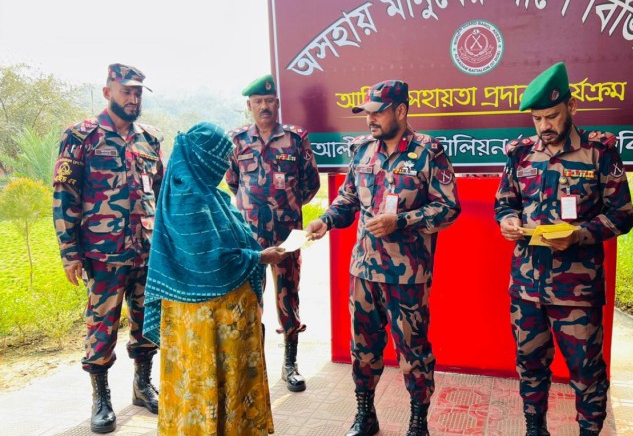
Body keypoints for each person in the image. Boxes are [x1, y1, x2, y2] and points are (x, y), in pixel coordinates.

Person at [306, 80, 461, 436]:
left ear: (401, 111)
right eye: (367, 113)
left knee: (414, 351)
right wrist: (324, 221)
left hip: (408, 274)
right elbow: (347, 201)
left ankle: (418, 419)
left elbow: (449, 209)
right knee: (363, 346)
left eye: (378, 112)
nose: (370, 120)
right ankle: (365, 414)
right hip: (364, 270)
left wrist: (402, 220)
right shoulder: (361, 151)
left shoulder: (428, 151)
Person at [494, 62, 633, 436]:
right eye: (537, 118)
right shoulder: (520, 155)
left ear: (571, 107)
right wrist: (507, 221)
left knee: (587, 372)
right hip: (526, 287)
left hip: (577, 290)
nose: (544, 126)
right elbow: (504, 202)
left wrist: (579, 235)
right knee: (530, 364)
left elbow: (623, 215)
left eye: (552, 116)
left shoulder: (599, 152)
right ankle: (534, 428)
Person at [142, 122, 285, 436]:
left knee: (213, 383)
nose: (224, 167)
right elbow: (210, 261)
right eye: (221, 159)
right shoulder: (187, 200)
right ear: (204, 158)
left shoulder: (205, 194)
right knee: (205, 382)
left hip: (213, 324)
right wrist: (260, 257)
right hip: (206, 327)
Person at [52, 63, 163, 433]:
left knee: (148, 323)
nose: (132, 99)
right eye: (126, 91)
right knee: (102, 328)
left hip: (146, 251)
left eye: (137, 93)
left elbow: (161, 196)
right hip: (103, 254)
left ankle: (143, 384)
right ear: (108, 92)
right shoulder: (81, 136)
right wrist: (69, 252)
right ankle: (101, 399)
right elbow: (65, 195)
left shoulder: (150, 139)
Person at [226, 74, 320, 392]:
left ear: (277, 103)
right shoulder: (237, 140)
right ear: (249, 106)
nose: (264, 106)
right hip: (250, 238)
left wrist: (287, 209)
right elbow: (233, 182)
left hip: (287, 237)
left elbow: (311, 184)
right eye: (258, 102)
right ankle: (253, 364)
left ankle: (290, 364)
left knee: (287, 297)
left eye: (269, 101)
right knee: (251, 299)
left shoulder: (296, 139)